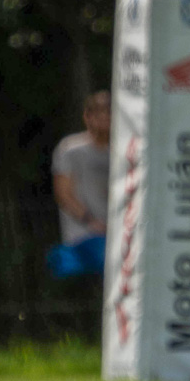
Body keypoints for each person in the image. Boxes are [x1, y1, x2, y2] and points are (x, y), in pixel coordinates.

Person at [47, 91, 110, 278]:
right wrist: (91, 221)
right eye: (98, 113)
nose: (104, 118)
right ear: (87, 116)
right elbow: (63, 194)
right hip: (84, 235)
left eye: (109, 113)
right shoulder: (71, 149)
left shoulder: (123, 150)